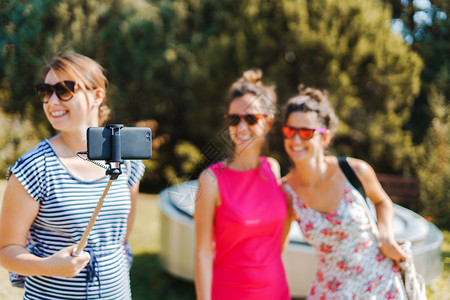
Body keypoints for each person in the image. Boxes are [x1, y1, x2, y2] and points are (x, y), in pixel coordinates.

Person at [0, 52, 145, 299]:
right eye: (46, 91)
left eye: (64, 89)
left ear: (97, 95)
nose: (52, 101)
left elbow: (120, 236)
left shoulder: (127, 160)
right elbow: (6, 250)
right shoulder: (34, 167)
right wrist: (49, 266)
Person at [281, 84, 407, 299]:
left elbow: (382, 201)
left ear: (325, 138)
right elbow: (276, 249)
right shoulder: (285, 190)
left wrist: (386, 237)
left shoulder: (355, 171)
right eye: (290, 130)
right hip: (329, 292)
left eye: (306, 132)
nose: (296, 140)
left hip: (380, 286)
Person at [194, 69, 291, 300]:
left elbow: (277, 238)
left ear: (267, 123)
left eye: (251, 118)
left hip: (277, 291)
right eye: (234, 119)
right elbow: (203, 253)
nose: (241, 126)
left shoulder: (273, 168)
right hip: (228, 292)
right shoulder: (211, 179)